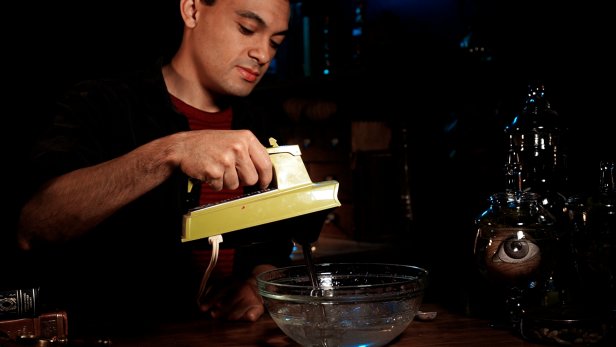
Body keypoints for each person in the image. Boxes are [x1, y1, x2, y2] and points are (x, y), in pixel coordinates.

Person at [15, 0, 295, 339]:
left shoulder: (265, 124)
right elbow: (35, 225)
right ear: (192, 10)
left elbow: (276, 246)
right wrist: (171, 151)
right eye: (247, 29)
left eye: (275, 42)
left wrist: (257, 283)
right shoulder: (100, 103)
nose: (263, 54)